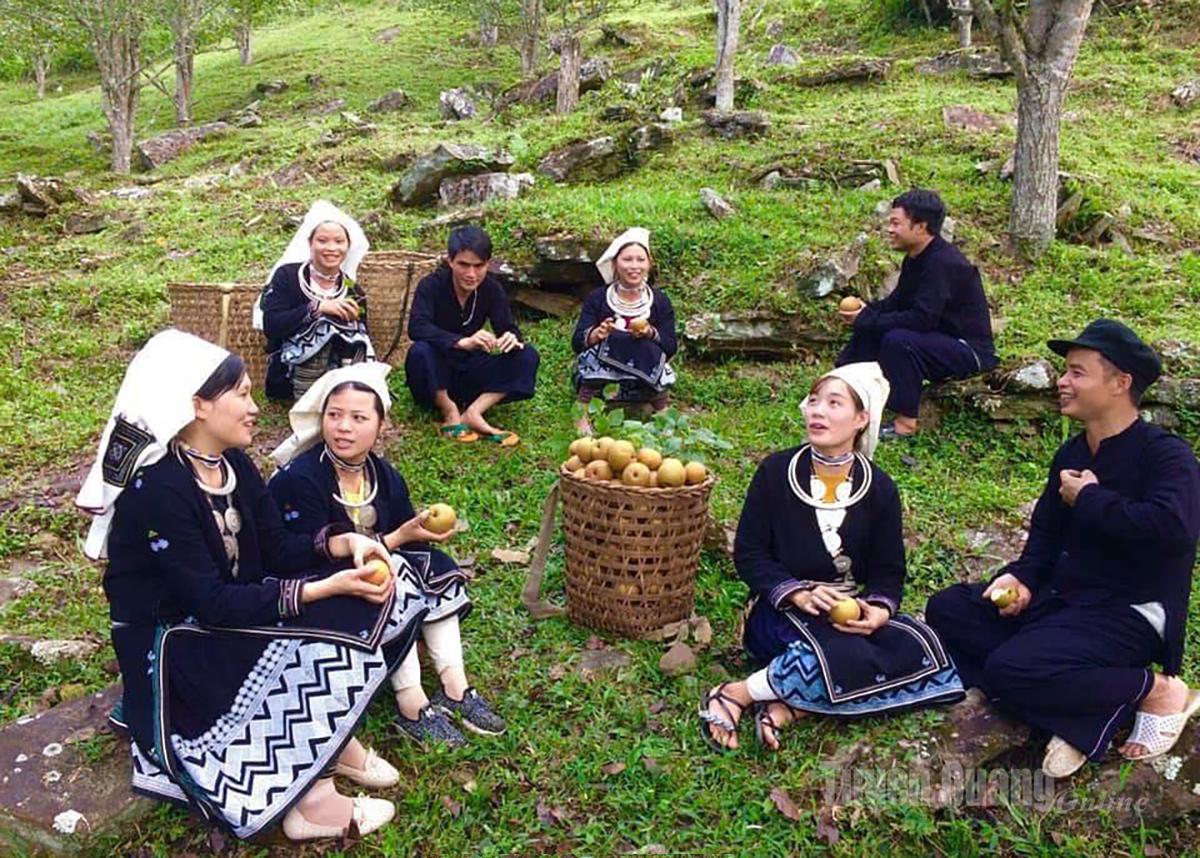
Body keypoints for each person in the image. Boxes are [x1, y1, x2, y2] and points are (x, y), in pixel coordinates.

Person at [75, 329, 428, 842]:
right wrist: (318, 591)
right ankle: (312, 801)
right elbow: (210, 604)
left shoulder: (234, 464)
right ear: (197, 405)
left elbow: (279, 549)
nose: (254, 406)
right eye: (240, 393)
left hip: (225, 615)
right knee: (317, 629)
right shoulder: (159, 493)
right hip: (174, 642)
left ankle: (327, 747)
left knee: (374, 599)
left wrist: (345, 543)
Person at [925, 320, 1200, 777]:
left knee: (1009, 669)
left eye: (1076, 372)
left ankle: (1156, 689)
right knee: (948, 609)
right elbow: (1045, 542)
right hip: (1064, 602)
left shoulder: (1166, 456)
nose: (1062, 381)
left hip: (1129, 610)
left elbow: (1174, 529)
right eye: (1064, 371)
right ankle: (1087, 713)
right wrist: (1023, 578)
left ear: (1120, 383)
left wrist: (1092, 500)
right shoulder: (1072, 454)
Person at [698, 363, 964, 751]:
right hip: (781, 611)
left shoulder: (880, 489)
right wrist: (799, 594)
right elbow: (750, 555)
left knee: (922, 650)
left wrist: (878, 609)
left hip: (847, 613)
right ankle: (736, 693)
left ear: (861, 419)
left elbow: (889, 572)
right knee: (829, 655)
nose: (817, 411)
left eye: (833, 403)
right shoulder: (775, 472)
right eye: (814, 401)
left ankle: (790, 705)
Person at [269, 361, 505, 748]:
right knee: (394, 573)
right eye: (334, 415)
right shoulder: (300, 479)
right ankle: (411, 702)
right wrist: (396, 539)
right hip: (319, 583)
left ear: (380, 426)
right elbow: (298, 555)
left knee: (433, 565)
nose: (344, 427)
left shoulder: (383, 475)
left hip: (374, 570)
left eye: (358, 417)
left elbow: (409, 539)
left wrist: (417, 532)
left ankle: (455, 686)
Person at [836, 189, 996, 440]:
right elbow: (898, 302)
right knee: (871, 326)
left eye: (896, 223)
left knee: (898, 340)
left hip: (969, 350)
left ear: (920, 227)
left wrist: (869, 318)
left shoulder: (943, 263)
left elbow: (922, 319)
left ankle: (905, 423)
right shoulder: (915, 258)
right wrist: (866, 312)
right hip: (937, 338)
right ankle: (844, 392)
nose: (889, 229)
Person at [404, 226, 539, 446]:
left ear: (488, 263)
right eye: (463, 265)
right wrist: (460, 342)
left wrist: (510, 338)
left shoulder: (491, 289)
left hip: (471, 369)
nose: (471, 274)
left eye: (479, 266)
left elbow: (508, 327)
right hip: (436, 372)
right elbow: (417, 327)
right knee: (420, 352)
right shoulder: (432, 285)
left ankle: (475, 412)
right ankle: (449, 410)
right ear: (450, 260)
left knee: (527, 355)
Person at [260, 199, 374, 401]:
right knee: (324, 326)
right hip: (289, 372)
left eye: (339, 242)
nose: (331, 248)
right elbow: (272, 325)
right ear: (310, 244)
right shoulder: (287, 276)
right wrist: (317, 308)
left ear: (348, 247)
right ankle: (309, 400)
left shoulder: (353, 291)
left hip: (342, 371)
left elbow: (363, 338)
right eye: (322, 240)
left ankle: (349, 395)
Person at [571, 227, 677, 433]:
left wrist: (650, 333)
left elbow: (670, 346)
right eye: (627, 260)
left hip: (643, 374)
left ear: (649, 264)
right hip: (603, 374)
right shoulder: (599, 298)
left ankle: (662, 411)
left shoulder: (660, 302)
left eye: (640, 260)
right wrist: (597, 334)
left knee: (646, 346)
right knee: (615, 340)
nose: (634, 266)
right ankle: (582, 412)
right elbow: (577, 342)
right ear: (614, 264)